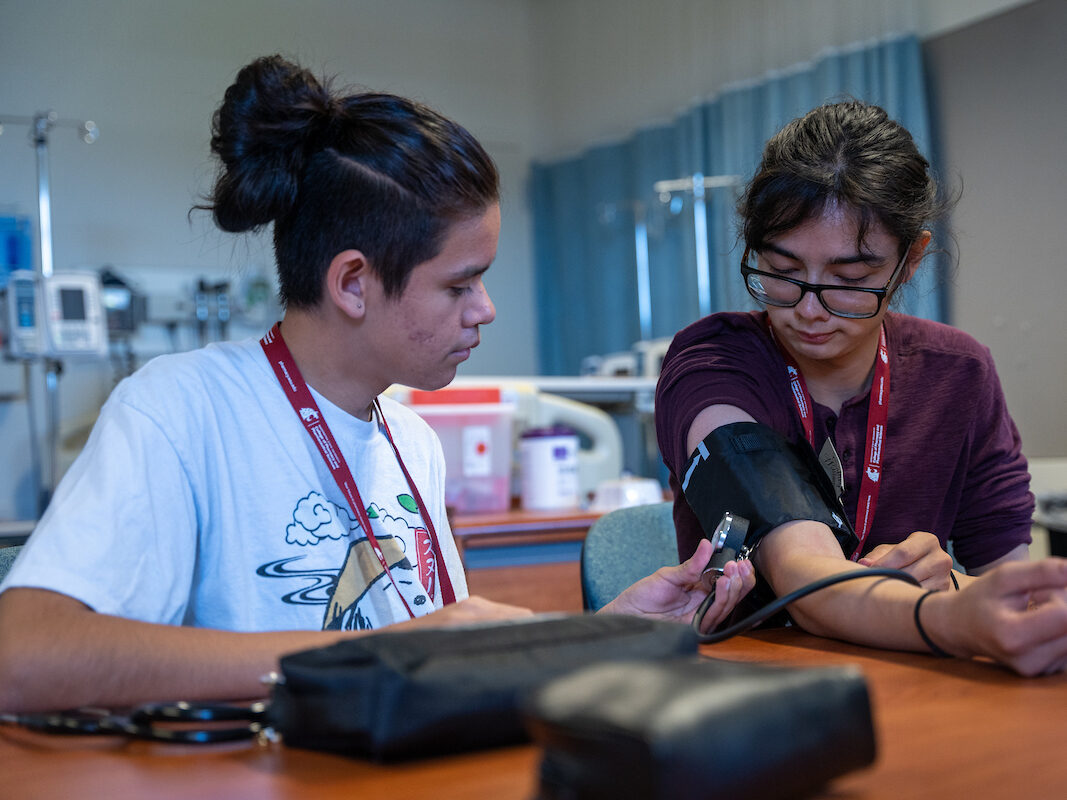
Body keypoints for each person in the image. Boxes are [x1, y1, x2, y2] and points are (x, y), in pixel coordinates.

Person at [0, 56, 754, 714]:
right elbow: (25, 656)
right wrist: (367, 656)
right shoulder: (181, 412)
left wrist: (612, 629)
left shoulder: (409, 439)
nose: (485, 310)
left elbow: (444, 656)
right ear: (354, 283)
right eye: (462, 284)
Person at [656, 100, 1067, 676]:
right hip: (754, 691)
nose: (808, 309)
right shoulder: (714, 363)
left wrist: (952, 581)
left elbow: (1011, 587)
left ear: (910, 260)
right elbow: (803, 574)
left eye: (850, 281)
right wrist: (947, 614)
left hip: (930, 692)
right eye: (780, 270)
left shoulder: (959, 374)